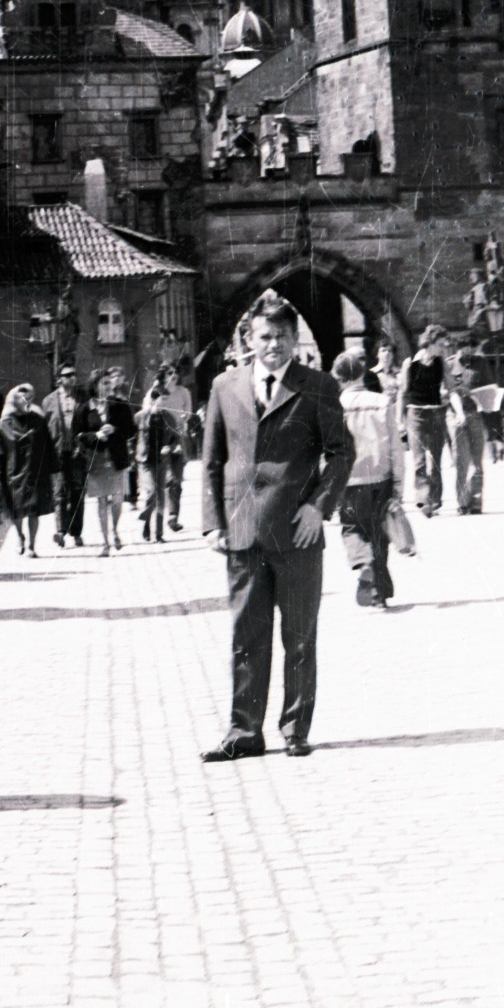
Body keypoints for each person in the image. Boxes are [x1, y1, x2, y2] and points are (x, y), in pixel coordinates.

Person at [200, 291, 354, 761]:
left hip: (297, 531)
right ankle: (243, 732)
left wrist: (317, 508)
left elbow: (342, 453)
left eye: (282, 337)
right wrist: (213, 523)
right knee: (246, 636)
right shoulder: (225, 387)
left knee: (299, 635)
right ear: (249, 339)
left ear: (294, 338)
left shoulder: (319, 386)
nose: (274, 346)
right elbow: (212, 459)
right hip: (243, 532)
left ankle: (295, 728)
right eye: (265, 337)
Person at [331, 349, 402, 607]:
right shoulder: (382, 402)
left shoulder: (334, 406)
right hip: (380, 478)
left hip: (349, 481)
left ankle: (362, 563)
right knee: (379, 534)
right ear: (362, 373)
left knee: (351, 528)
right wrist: (398, 483)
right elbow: (396, 446)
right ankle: (379, 595)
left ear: (338, 378)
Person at [75, 369, 136, 557]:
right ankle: (105, 542)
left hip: (116, 458)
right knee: (101, 501)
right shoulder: (84, 409)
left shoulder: (121, 405)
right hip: (96, 460)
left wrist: (115, 430)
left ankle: (114, 530)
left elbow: (132, 430)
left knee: (117, 499)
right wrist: (96, 436)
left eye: (109, 383)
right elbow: (78, 435)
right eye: (104, 383)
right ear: (95, 386)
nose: (109, 386)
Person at [0, 384, 56, 556]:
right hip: (14, 473)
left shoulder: (38, 419)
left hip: (36, 471)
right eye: (22, 397)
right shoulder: (4, 424)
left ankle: (32, 546)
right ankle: (20, 536)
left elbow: (48, 444)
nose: (26, 400)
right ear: (14, 399)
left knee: (34, 510)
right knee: (17, 510)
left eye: (29, 397)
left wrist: (55, 469)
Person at [396, 325, 449, 516]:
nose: (444, 349)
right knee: (418, 461)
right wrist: (399, 420)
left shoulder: (442, 363)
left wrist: (456, 408)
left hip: (436, 414)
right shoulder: (410, 364)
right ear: (431, 343)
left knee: (435, 461)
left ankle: (434, 501)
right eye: (441, 345)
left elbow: (451, 389)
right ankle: (423, 500)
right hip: (415, 415)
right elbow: (402, 394)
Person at [135, 366, 192, 541]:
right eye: (161, 399)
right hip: (145, 460)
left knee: (160, 496)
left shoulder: (168, 417)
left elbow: (175, 437)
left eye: (165, 399)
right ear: (154, 399)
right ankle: (146, 524)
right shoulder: (142, 416)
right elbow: (135, 425)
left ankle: (158, 534)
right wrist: (149, 408)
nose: (164, 403)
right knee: (151, 493)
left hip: (161, 459)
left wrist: (170, 446)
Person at [43, 363, 86, 547]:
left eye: (73, 374)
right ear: (59, 379)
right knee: (59, 494)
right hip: (57, 454)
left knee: (77, 492)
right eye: (67, 375)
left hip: (77, 453)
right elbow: (45, 430)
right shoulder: (48, 401)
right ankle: (60, 531)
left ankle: (76, 532)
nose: (71, 378)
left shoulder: (83, 397)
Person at [446, 344, 486, 514]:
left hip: (475, 415)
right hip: (455, 416)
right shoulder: (448, 367)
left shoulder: (480, 366)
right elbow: (444, 390)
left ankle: (475, 499)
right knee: (462, 460)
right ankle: (462, 502)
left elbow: (488, 388)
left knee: (477, 460)